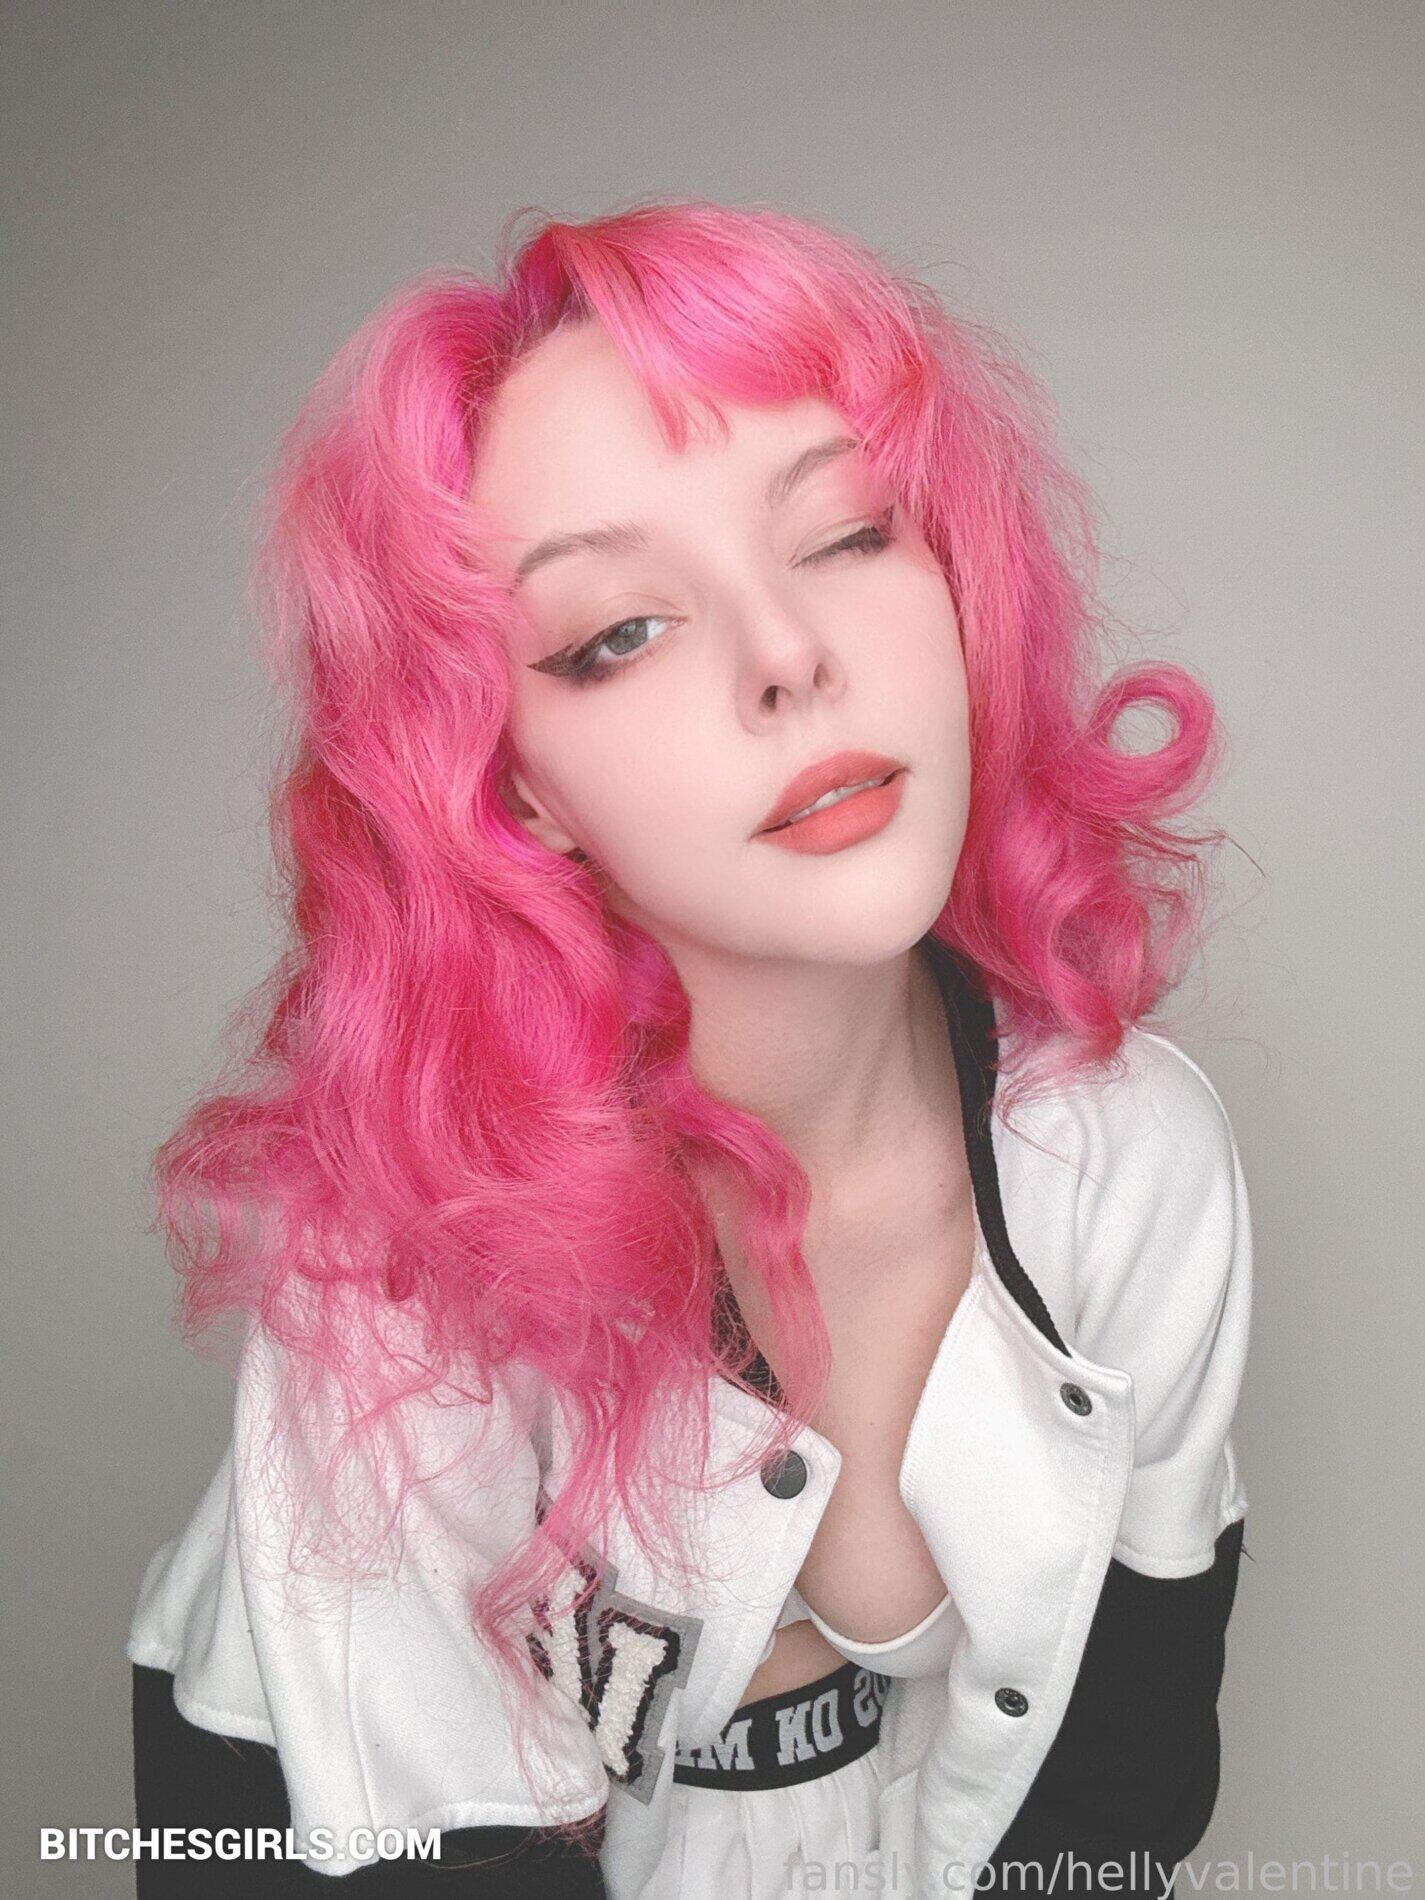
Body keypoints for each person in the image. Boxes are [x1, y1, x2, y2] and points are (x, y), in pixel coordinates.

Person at [125, 198, 1253, 1898]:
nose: (789, 656)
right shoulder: (402, 1259)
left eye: (847, 534)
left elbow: (1126, 1755)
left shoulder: (1127, 1156)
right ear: (511, 784)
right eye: (618, 632)